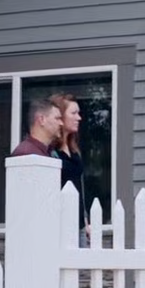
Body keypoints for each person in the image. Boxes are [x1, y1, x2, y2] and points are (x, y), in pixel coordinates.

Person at [48, 92, 90, 244]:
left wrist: (85, 221)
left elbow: (80, 187)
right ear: (60, 116)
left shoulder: (74, 150)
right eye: (74, 113)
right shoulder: (50, 152)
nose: (79, 118)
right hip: (60, 227)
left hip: (79, 226)